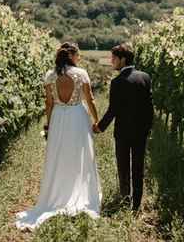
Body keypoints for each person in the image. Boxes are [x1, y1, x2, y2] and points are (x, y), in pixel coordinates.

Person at [15, 42, 102, 230]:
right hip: (77, 116)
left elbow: (48, 103)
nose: (78, 58)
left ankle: (56, 195)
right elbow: (90, 99)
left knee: (58, 156)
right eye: (77, 55)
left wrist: (49, 124)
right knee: (79, 156)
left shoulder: (50, 75)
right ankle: (78, 194)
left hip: (58, 118)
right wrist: (97, 121)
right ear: (71, 56)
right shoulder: (81, 74)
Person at [93, 43, 154, 212]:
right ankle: (136, 205)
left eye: (114, 58)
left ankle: (125, 199)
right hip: (141, 131)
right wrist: (148, 127)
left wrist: (100, 127)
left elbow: (113, 110)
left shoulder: (117, 82)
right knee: (138, 167)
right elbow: (149, 106)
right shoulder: (145, 77)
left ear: (123, 59)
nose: (111, 61)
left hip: (123, 132)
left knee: (124, 166)